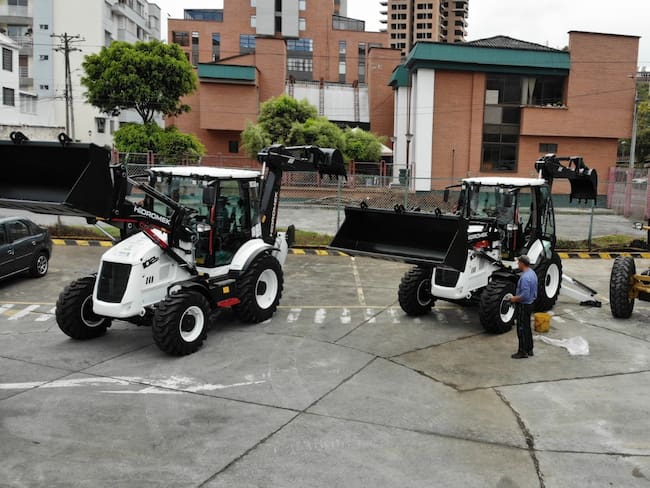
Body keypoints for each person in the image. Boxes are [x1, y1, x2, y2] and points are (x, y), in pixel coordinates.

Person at [509, 255, 538, 359]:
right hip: (530, 303)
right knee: (527, 328)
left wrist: (514, 299)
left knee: (521, 329)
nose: (518, 264)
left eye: (518, 263)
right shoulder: (532, 273)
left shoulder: (525, 277)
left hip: (524, 305)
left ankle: (522, 352)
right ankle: (529, 349)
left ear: (522, 263)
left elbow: (525, 295)